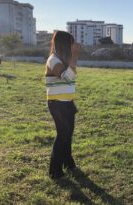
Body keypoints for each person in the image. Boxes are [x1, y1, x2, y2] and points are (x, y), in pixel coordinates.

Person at [45, 31, 80, 179]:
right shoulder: (53, 60)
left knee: (68, 135)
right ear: (65, 45)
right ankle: (55, 171)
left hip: (67, 102)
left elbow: (70, 77)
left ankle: (68, 163)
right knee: (62, 136)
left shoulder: (63, 60)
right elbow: (67, 77)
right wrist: (74, 57)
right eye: (71, 43)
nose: (74, 46)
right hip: (57, 104)